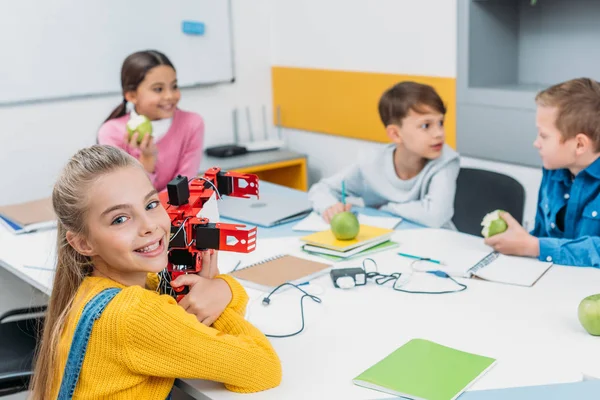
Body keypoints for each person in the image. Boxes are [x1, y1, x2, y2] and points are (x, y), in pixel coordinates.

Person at [30, 145, 281, 399]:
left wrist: (209, 291)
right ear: (84, 243)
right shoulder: (137, 314)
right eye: (120, 219)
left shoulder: (96, 287)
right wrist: (223, 290)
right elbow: (263, 368)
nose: (149, 226)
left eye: (151, 204)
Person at [308, 81, 460, 229]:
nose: (439, 133)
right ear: (395, 134)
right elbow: (322, 189)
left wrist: (386, 208)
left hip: (438, 245)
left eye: (441, 123)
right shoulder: (372, 162)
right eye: (426, 125)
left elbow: (436, 215)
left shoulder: (445, 160)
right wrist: (329, 207)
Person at [485, 78, 600, 268]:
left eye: (544, 135)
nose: (536, 143)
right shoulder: (552, 171)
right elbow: (541, 234)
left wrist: (534, 247)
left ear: (579, 144)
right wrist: (519, 241)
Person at [98, 50, 204, 192]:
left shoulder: (192, 123)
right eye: (158, 89)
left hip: (176, 210)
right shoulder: (111, 132)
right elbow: (127, 193)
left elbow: (185, 184)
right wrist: (147, 159)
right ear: (132, 95)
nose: (170, 96)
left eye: (174, 86)